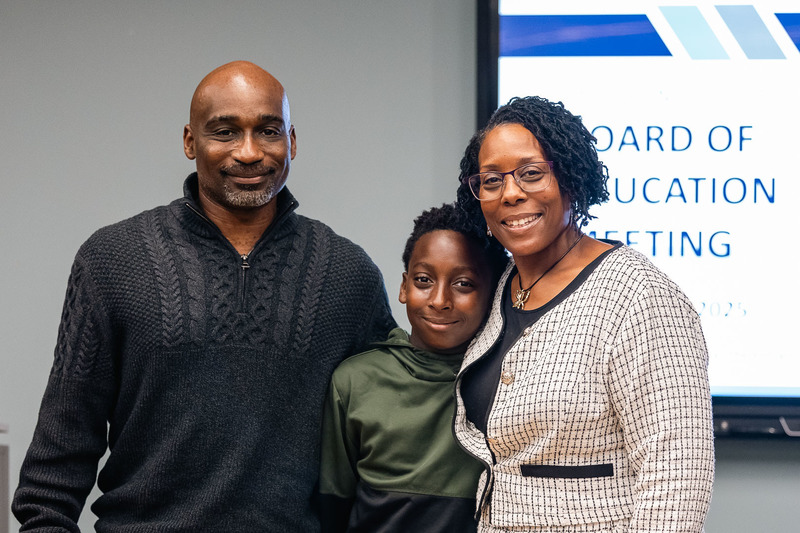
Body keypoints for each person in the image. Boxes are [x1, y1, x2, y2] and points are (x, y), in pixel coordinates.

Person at [12, 61, 396, 532]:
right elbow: (56, 463)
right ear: (191, 141)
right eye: (225, 132)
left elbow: (394, 427)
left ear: (292, 141)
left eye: (269, 130)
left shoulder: (347, 274)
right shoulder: (112, 260)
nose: (250, 152)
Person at [453, 96, 715, 532]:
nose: (511, 193)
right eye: (491, 180)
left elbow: (678, 479)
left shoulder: (639, 294)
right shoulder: (504, 285)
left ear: (572, 179)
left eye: (531, 174)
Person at [318, 203, 509, 533]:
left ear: (494, 294)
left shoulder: (509, 380)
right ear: (404, 287)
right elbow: (332, 506)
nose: (439, 300)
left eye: (464, 284)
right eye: (424, 280)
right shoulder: (355, 381)